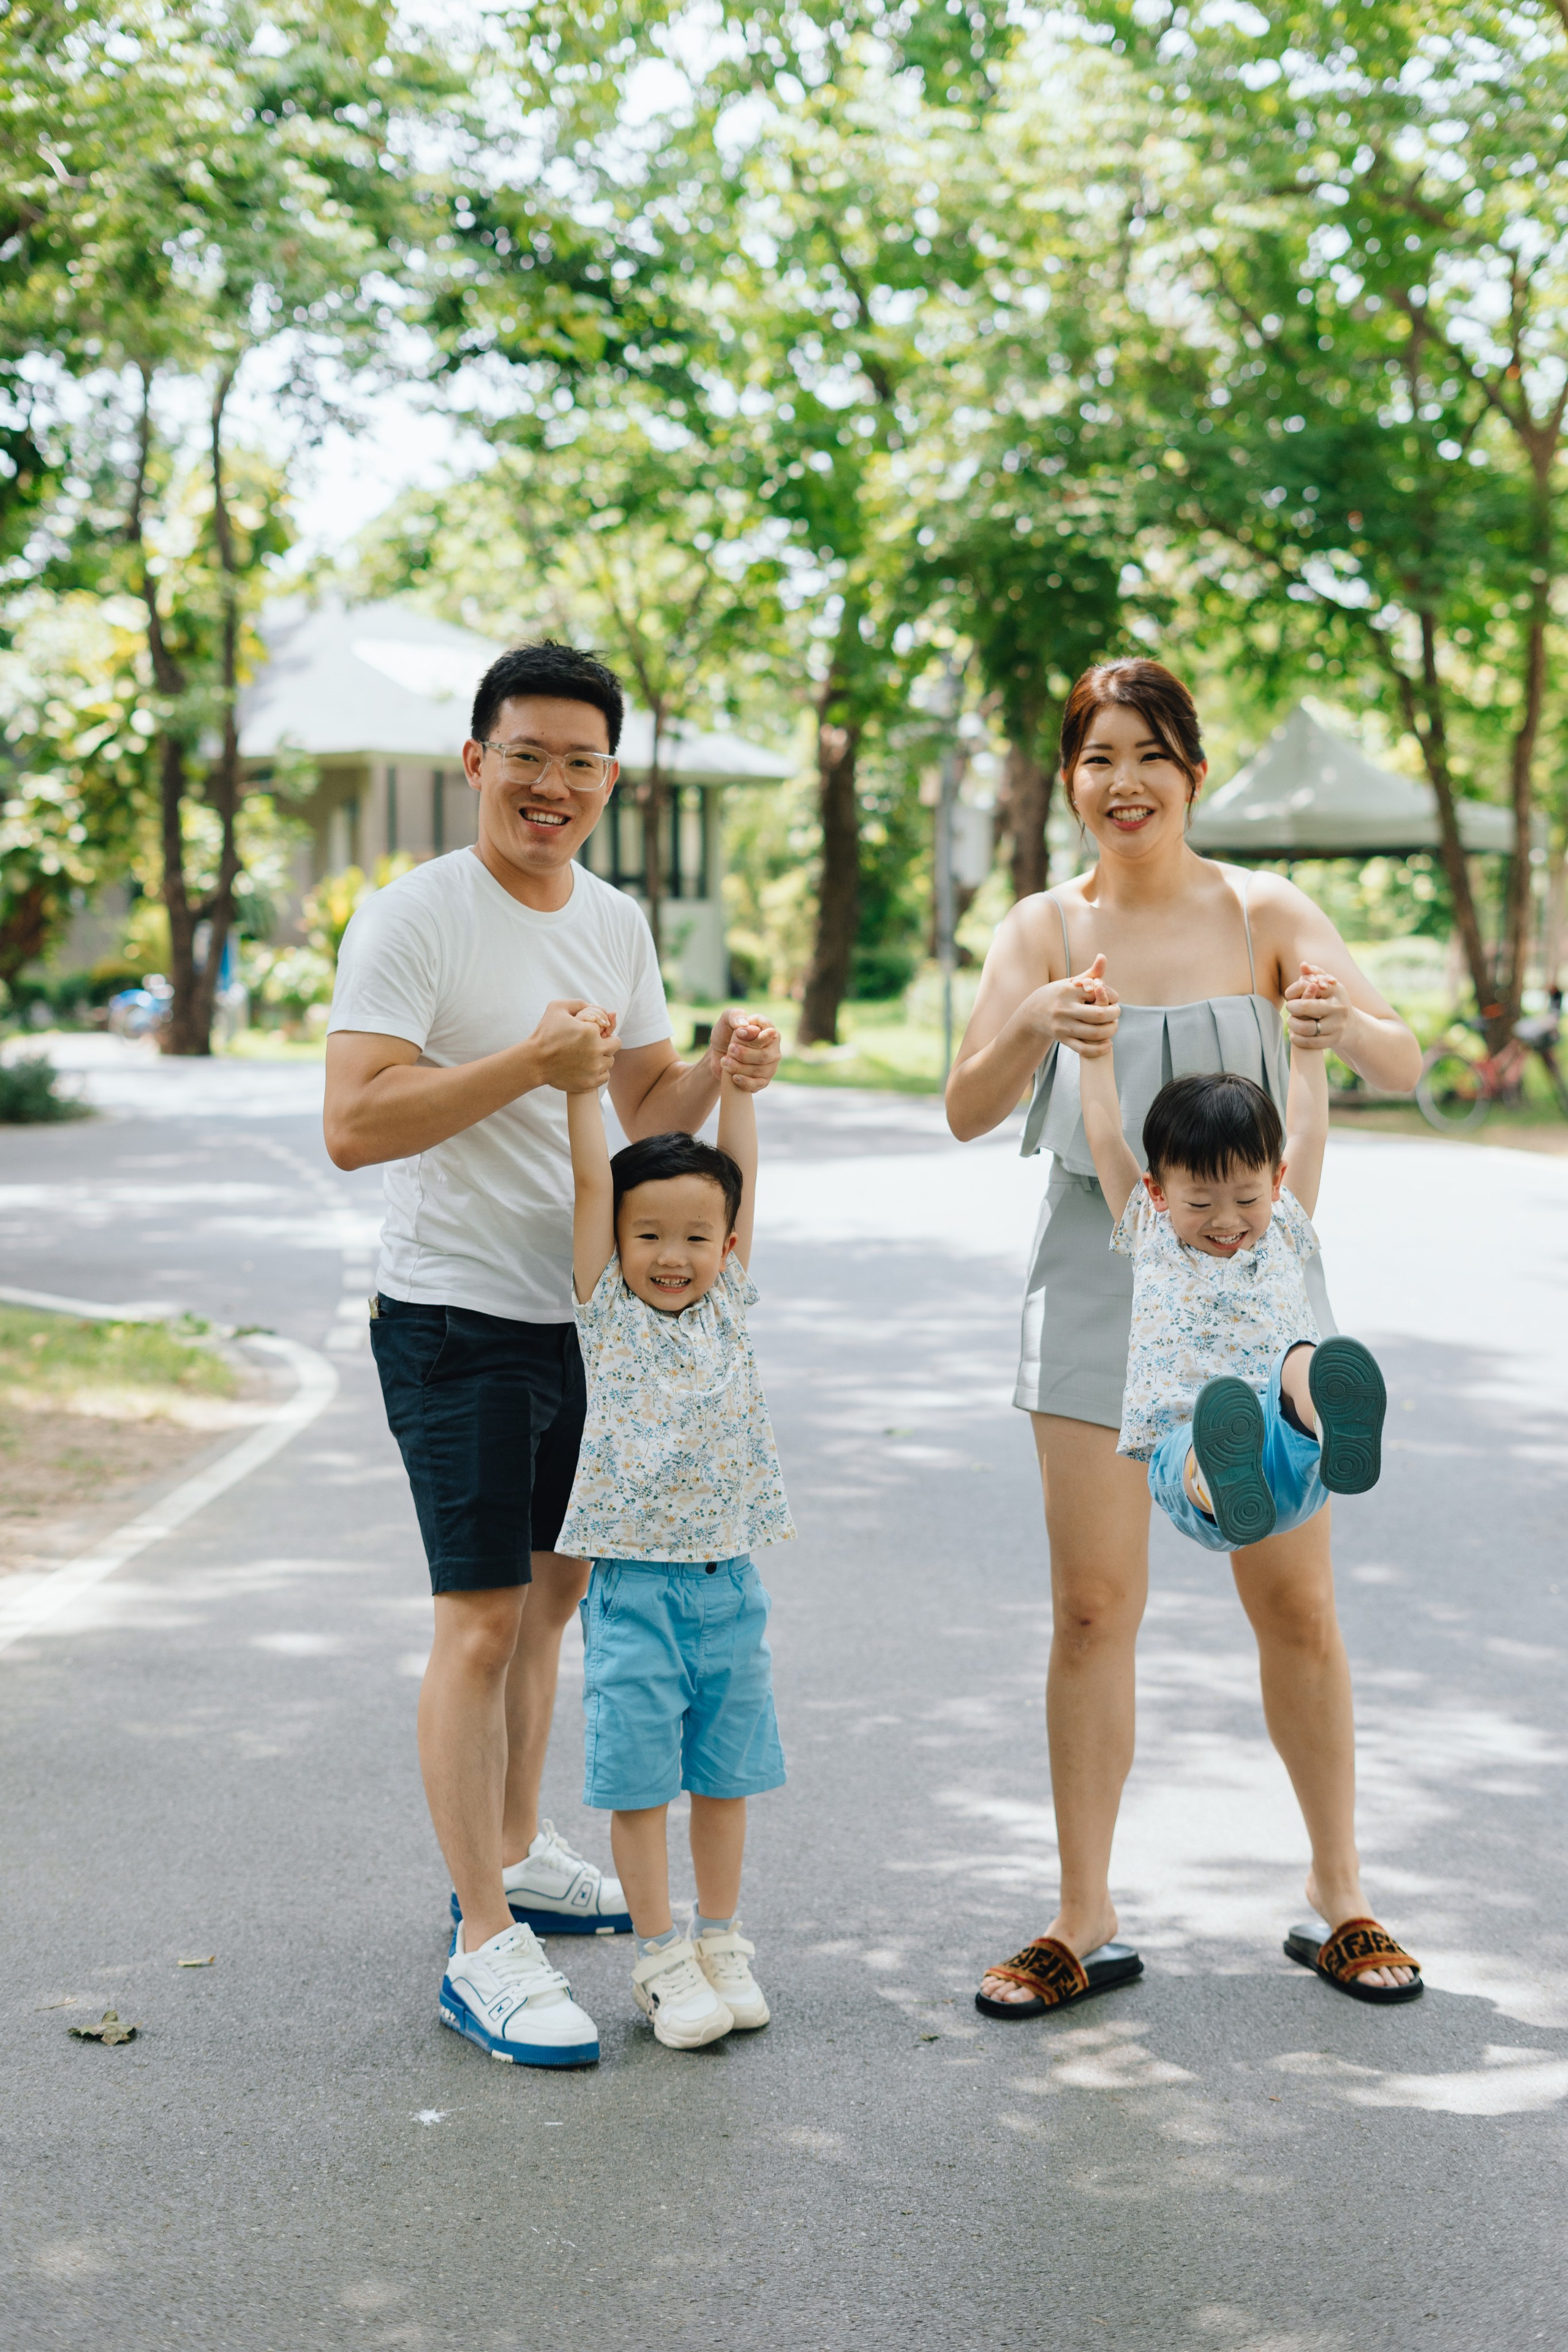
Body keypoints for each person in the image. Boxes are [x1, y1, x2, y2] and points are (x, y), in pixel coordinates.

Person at [323, 639, 780, 2068]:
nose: (552, 784)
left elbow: (641, 1093)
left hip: (594, 1326)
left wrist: (718, 1067)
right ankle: (480, 1941)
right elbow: (355, 1121)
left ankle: (514, 1850)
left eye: (581, 762)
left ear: (609, 780)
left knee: (551, 1605)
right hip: (458, 1317)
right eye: (526, 754)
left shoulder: (614, 920)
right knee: (475, 1620)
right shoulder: (415, 916)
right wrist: (523, 1065)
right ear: (476, 761)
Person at [946, 657, 1423, 2016]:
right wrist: (1040, 1018)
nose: (1122, 783)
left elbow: (1398, 1059)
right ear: (1068, 780)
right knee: (1092, 1611)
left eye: (1148, 755)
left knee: (1297, 1605)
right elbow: (962, 1106)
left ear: (1191, 774)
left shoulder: (1261, 909)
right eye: (1096, 758)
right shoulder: (1041, 927)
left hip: (1249, 1293)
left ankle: (1338, 1896)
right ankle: (1080, 1918)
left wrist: (1337, 1023)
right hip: (1098, 1283)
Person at [555, 1030, 793, 2051]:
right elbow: (584, 1184)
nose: (671, 1255)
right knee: (642, 1781)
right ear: (617, 1241)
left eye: (696, 1238)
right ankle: (658, 1954)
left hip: (728, 1585)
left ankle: (720, 1938)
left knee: (726, 1777)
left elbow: (742, 1178)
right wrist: (579, 1094)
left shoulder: (730, 1301)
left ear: (727, 1246)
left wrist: (738, 1087)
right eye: (648, 1234)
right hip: (632, 1593)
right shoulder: (605, 1306)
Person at [1079, 1024, 1389, 1558]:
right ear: (1157, 1191)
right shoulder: (1151, 1231)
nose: (1226, 1221)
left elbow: (1309, 1131)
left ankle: (1328, 1428)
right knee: (1200, 1442)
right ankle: (1223, 1474)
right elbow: (1105, 1134)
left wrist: (1309, 1047)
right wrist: (1094, 1051)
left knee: (1304, 1360)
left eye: (1247, 1199)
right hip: (1192, 1461)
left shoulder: (1284, 1221)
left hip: (1295, 1454)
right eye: (1199, 1204)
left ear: (1275, 1181)